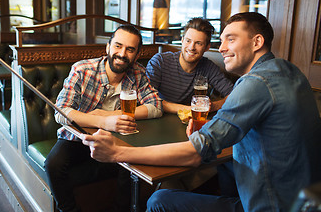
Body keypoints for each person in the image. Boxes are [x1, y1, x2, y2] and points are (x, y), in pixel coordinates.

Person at [81, 12, 321, 212]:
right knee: (225, 166)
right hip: (302, 200)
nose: (222, 47)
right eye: (221, 40)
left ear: (257, 42)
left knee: (158, 201)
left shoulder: (256, 82)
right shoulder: (290, 72)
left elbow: (196, 153)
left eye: (231, 39)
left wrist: (117, 153)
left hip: (272, 205)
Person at [44, 24, 163, 212]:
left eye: (130, 49)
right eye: (118, 46)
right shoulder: (82, 69)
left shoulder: (138, 72)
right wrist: (102, 121)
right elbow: (61, 111)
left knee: (131, 164)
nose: (122, 53)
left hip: (118, 139)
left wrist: (112, 115)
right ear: (108, 47)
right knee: (53, 164)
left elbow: (156, 106)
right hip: (79, 137)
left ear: (137, 54)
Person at [146, 17, 234, 113]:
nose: (192, 47)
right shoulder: (159, 62)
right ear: (182, 40)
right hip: (160, 118)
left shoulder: (209, 67)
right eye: (188, 41)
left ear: (207, 47)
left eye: (198, 43)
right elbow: (148, 99)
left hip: (190, 122)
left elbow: (234, 95)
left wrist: (213, 106)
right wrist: (189, 109)